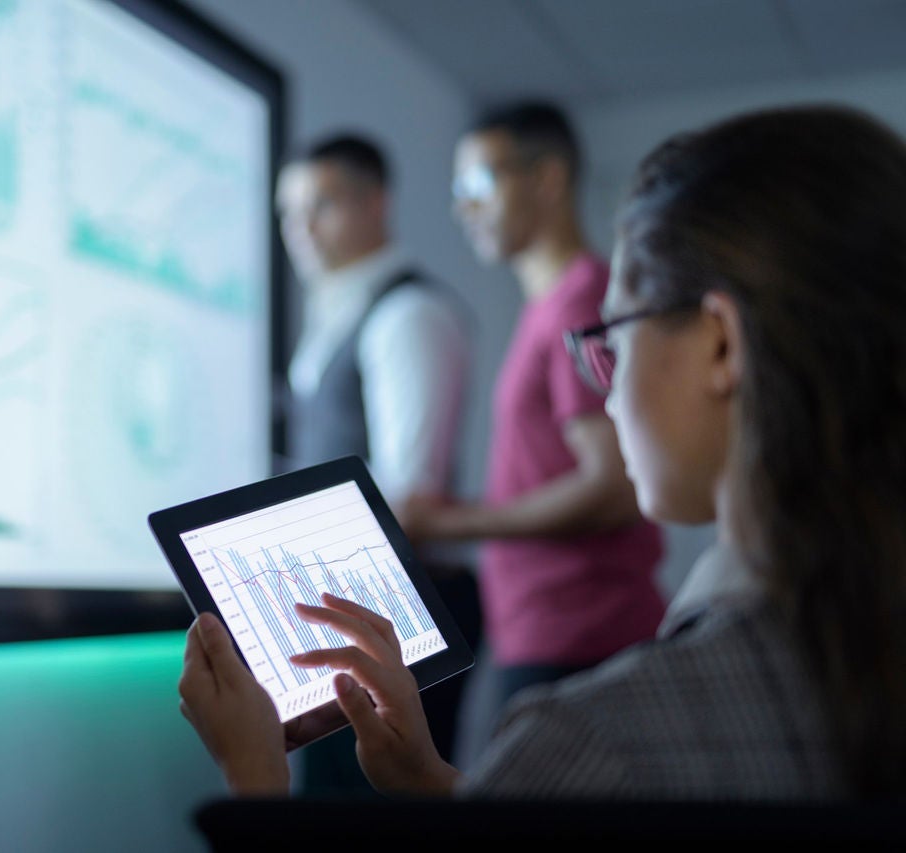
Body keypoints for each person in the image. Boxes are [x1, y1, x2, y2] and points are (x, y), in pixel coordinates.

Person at [178, 103, 906, 800]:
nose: (610, 392)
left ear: (720, 343)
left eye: (613, 339)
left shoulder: (590, 738)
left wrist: (254, 776)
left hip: (566, 622)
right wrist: (431, 779)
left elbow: (603, 491)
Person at [396, 101, 665, 755]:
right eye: (458, 192)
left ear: (546, 178)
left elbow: (613, 487)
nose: (465, 209)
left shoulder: (580, 302)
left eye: (480, 185)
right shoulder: (552, 305)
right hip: (541, 629)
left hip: (580, 634)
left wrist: (443, 522)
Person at [273, 133, 479, 793]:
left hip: (398, 617)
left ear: (375, 204)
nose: (299, 228)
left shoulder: (409, 313)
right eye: (288, 211)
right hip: (352, 614)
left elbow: (408, 494)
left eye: (322, 205)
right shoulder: (338, 313)